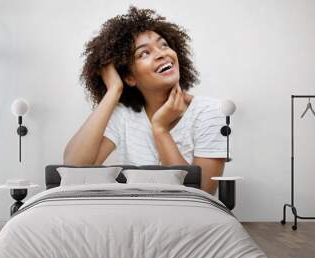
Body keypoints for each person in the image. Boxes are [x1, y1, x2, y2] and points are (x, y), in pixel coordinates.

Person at [63, 6, 226, 194]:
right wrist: (114, 90)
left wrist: (160, 129)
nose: (161, 53)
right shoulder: (124, 115)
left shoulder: (210, 112)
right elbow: (74, 169)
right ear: (130, 78)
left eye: (163, 44)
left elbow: (201, 193)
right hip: (133, 216)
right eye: (144, 53)